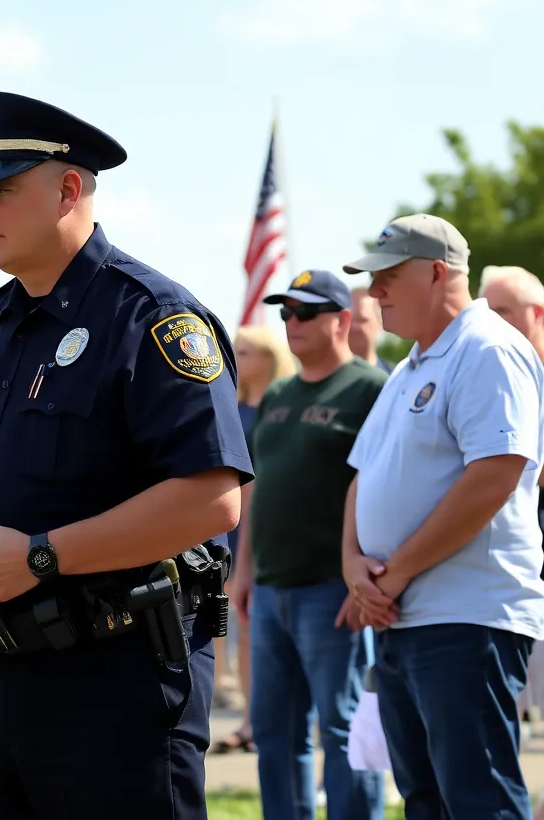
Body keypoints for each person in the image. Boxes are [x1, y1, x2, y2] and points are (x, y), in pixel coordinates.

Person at [0, 91, 251, 819]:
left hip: (116, 681)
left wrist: (39, 555)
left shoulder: (151, 316)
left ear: (67, 188)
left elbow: (211, 497)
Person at [341, 215, 544, 820]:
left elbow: (493, 476)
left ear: (437, 273)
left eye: (388, 276)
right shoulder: (408, 366)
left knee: (477, 801)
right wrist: (355, 567)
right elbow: (363, 478)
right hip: (405, 617)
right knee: (427, 803)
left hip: (467, 613)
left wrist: (395, 572)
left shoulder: (487, 348)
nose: (375, 292)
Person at [232, 270, 386, 820]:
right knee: (276, 731)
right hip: (271, 590)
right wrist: (242, 571)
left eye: (306, 312)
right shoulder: (276, 393)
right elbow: (256, 490)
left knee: (342, 728)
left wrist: (367, 579)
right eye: (286, 313)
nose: (292, 323)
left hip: (332, 589)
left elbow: (385, 490)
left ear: (342, 319)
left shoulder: (370, 388)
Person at [481, 265, 544, 820]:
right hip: (505, 571)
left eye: (502, 310)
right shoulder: (497, 369)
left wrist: (510, 456)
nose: (490, 320)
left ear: (536, 314)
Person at [211, 324, 294, 756]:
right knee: (236, 619)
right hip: (232, 527)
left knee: (261, 624)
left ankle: (277, 716)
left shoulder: (282, 406)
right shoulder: (232, 406)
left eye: (248, 351)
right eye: (237, 350)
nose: (239, 358)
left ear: (270, 357)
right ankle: (247, 715)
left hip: (271, 528)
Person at [349, 288, 394, 373]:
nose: (353, 326)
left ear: (380, 322)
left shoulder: (393, 379)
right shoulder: (324, 379)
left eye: (362, 320)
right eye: (348, 320)